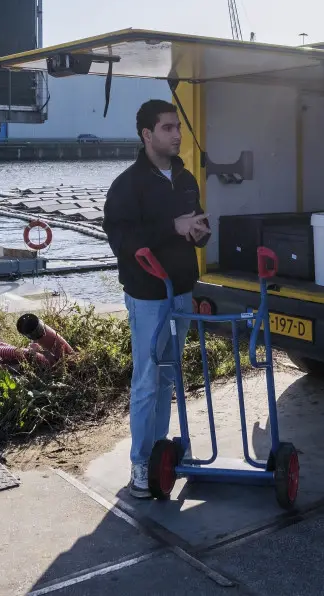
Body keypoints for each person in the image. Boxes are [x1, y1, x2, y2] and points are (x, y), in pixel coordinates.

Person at [104, 99, 210, 498]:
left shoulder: (185, 179)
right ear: (147, 134)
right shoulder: (127, 185)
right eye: (168, 128)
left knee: (169, 376)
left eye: (178, 127)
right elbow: (123, 241)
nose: (177, 134)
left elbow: (192, 222)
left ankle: (162, 454)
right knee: (147, 379)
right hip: (148, 296)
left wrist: (200, 232)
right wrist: (173, 227)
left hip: (182, 291)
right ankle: (140, 463)